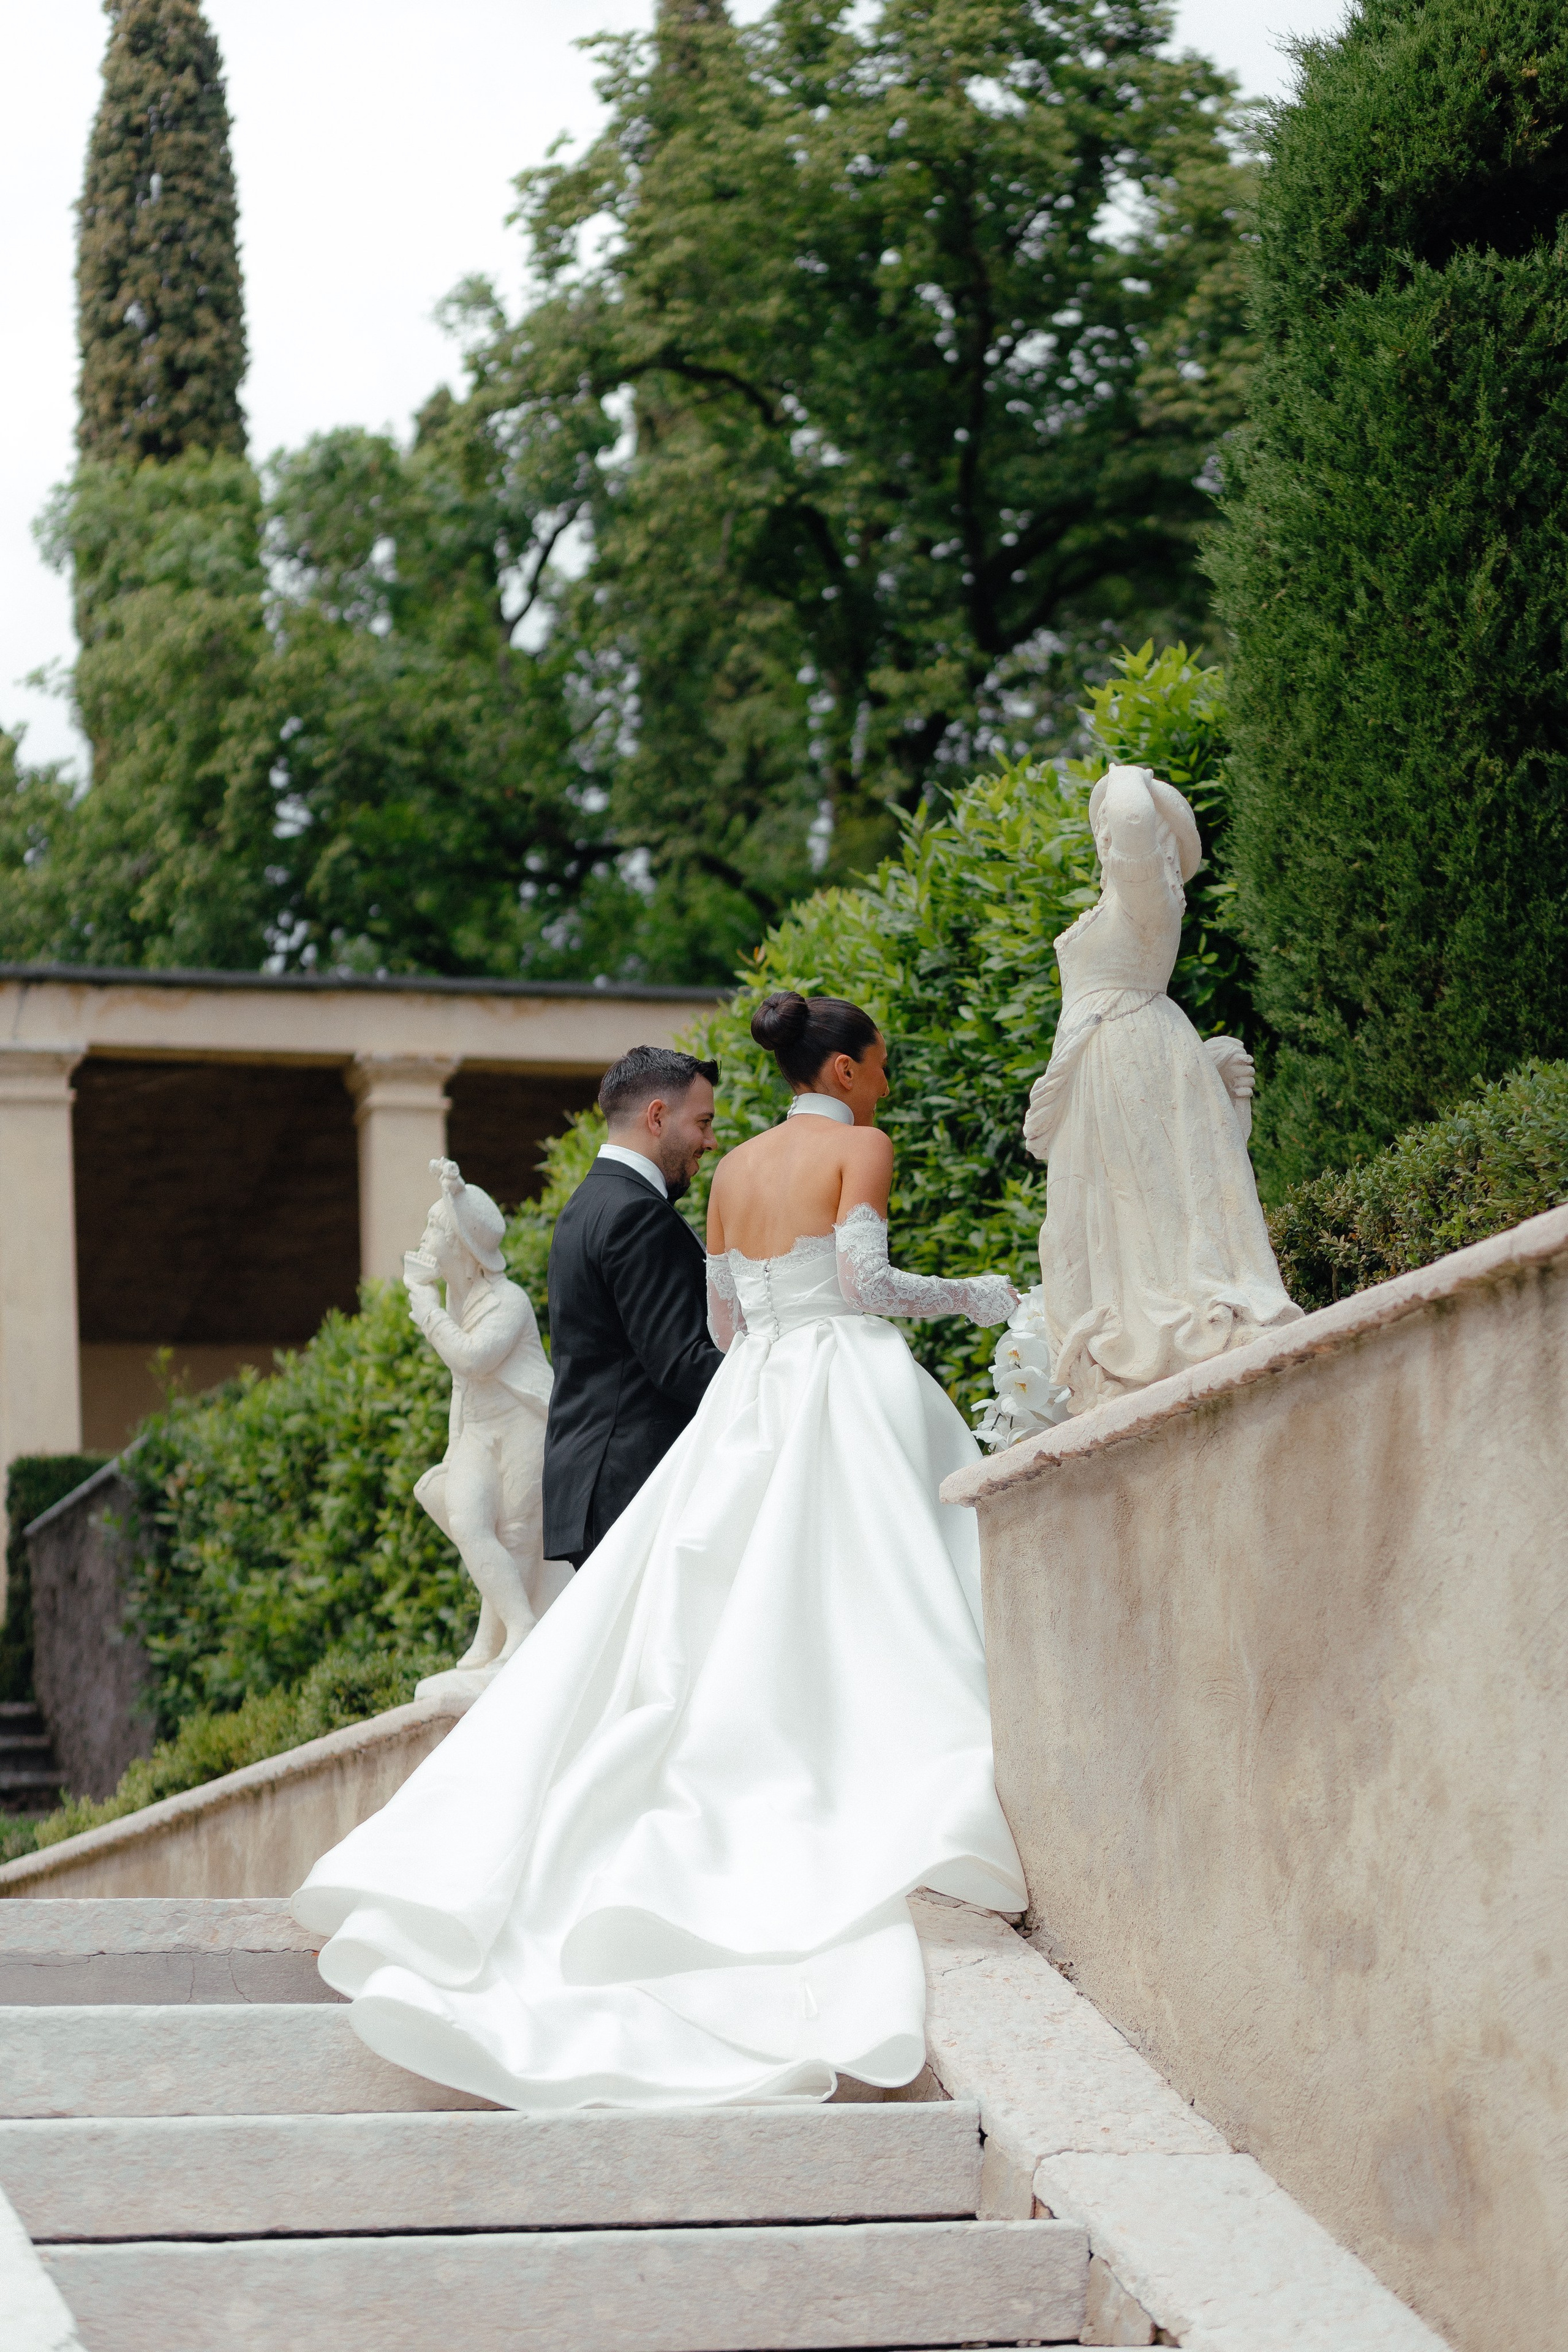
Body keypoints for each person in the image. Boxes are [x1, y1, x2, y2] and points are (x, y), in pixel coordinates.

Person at [293, 991, 1024, 2111]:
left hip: (758, 1395)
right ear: (842, 1074)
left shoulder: (726, 1183)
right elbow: (868, 1288)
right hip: (842, 1375)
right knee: (875, 1574)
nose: (882, 1084)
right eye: (877, 1065)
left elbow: (727, 1325)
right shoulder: (860, 1148)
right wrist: (977, 1297)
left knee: (730, 1607)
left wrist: (763, 1372)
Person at [1020, 763, 1300, 1417]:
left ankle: (1159, 1330)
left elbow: (1132, 819)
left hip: (1128, 1054)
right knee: (1113, 1205)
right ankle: (1123, 1338)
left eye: (1105, 825)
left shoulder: (1145, 896)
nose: (1105, 836)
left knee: (1149, 1197)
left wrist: (1123, 776)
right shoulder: (1125, 902)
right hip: (1113, 1058)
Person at [542, 1046, 724, 1569]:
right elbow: (682, 1363)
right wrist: (780, 1382)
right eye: (703, 1122)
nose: (711, 1142)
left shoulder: (587, 1203)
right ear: (658, 1116)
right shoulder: (636, 1214)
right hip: (631, 1488)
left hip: (594, 1487)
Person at [402, 1158, 569, 1698]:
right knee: (469, 1520)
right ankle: (510, 1624)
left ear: (461, 1245)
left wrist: (426, 1311)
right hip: (477, 1430)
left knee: (516, 1536)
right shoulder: (457, 1299)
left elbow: (473, 1359)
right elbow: (462, 1385)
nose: (426, 1237)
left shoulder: (508, 1302)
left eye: (434, 1227)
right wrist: (455, 1446)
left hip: (522, 1425)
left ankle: (513, 1632)